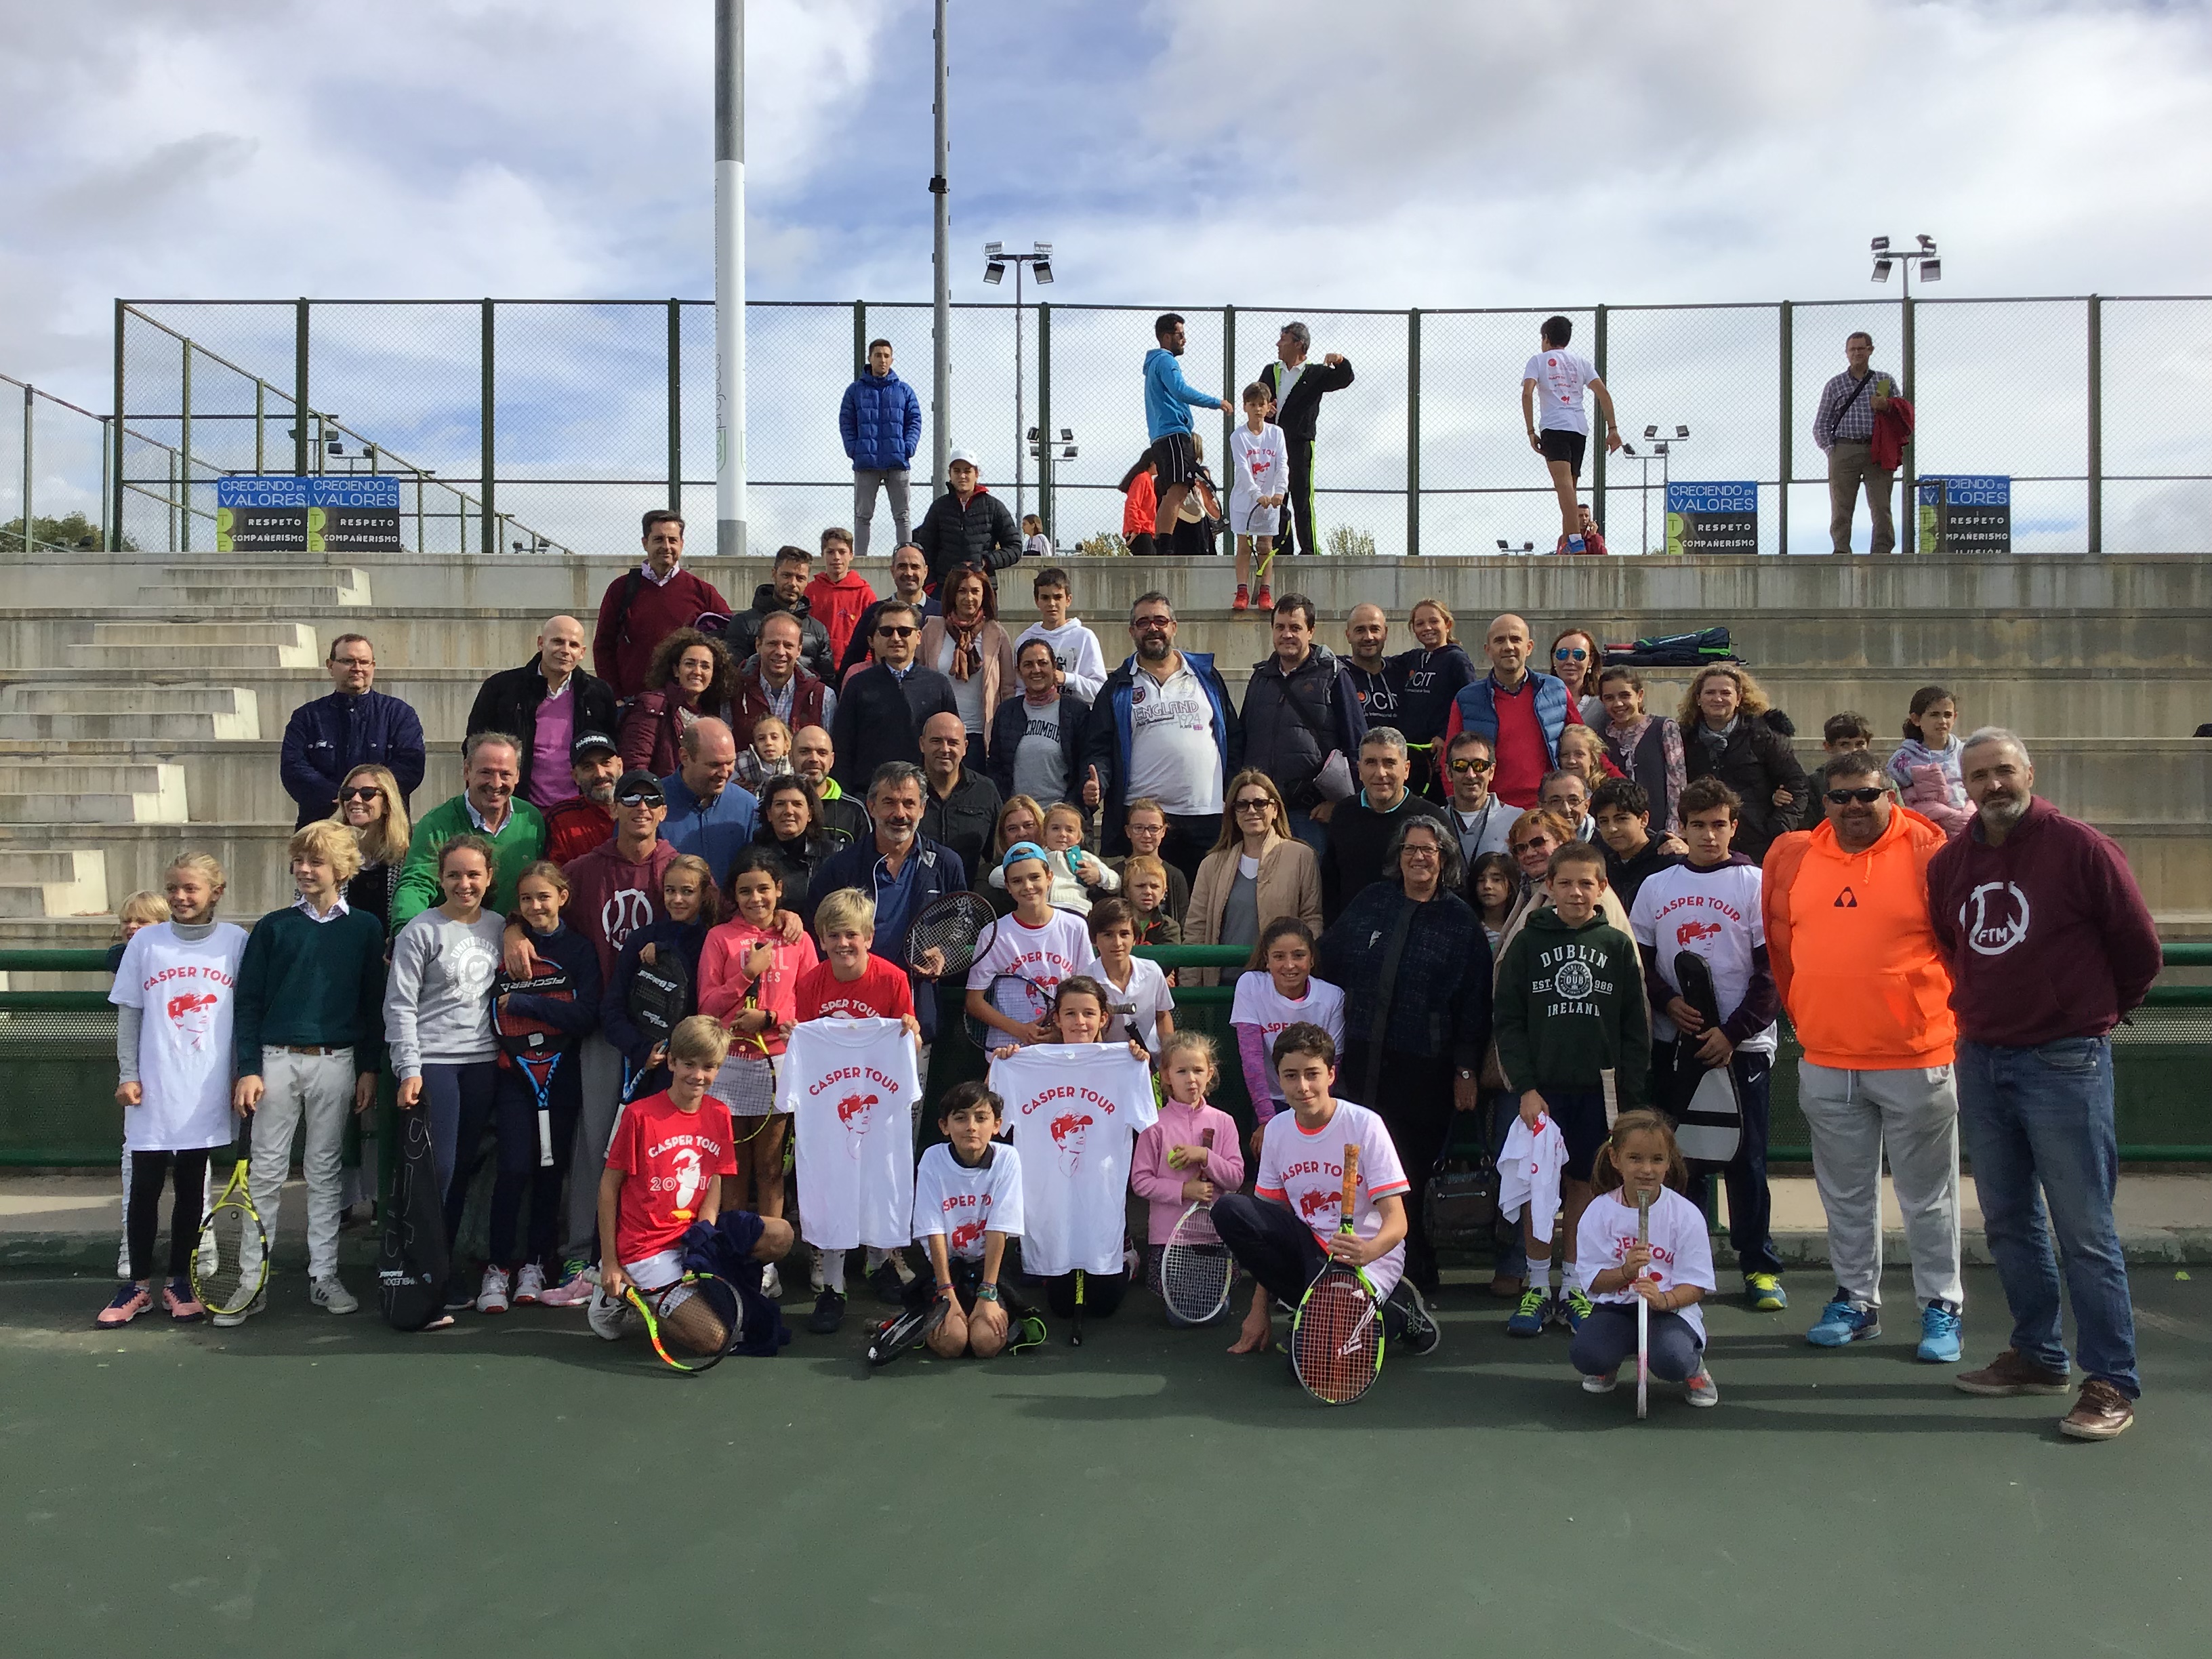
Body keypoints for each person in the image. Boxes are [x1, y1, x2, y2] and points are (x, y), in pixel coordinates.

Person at [1929, 729, 2161, 1440]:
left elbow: (2139, 949)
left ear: (2029, 771)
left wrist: (2090, 1015)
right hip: (1983, 1055)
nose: (1993, 786)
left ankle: (2111, 1380)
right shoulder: (1951, 864)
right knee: (2007, 1221)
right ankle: (2037, 1352)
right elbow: (1952, 942)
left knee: (2084, 1229)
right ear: (1963, 785)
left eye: (2004, 771)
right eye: (1979, 776)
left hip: (2064, 1060)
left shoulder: (2081, 848)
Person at [1761, 747, 1964, 1360]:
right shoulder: (1792, 856)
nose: (1854, 807)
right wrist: (1808, 1017)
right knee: (1845, 1194)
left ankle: (1941, 1306)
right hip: (1827, 1056)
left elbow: (1961, 948)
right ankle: (1856, 1300)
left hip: (1915, 1057)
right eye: (1841, 796)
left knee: (1928, 1196)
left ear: (1891, 796)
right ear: (1824, 801)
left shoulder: (1933, 855)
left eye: (1867, 795)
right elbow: (1781, 947)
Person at [1319, 815, 1492, 1298]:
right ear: (1398, 857)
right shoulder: (1372, 902)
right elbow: (1328, 957)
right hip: (1361, 1060)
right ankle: (1356, 1264)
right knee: (1360, 1166)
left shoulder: (1460, 922)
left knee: (1408, 1170)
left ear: (1445, 859)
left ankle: (1410, 1269)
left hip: (1425, 1069)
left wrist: (1464, 1070)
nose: (1420, 857)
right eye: (1411, 849)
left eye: (1430, 850)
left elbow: (1473, 1006)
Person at [1631, 777, 1786, 1313]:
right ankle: (1683, 1269)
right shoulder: (1658, 885)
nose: (1708, 834)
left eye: (1719, 824)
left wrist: (1734, 1031)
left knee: (1747, 1162)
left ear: (1733, 826)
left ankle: (1759, 1268)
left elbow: (1773, 973)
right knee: (1683, 1163)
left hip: (1742, 1049)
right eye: (1698, 825)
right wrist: (1667, 1004)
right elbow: (1642, 965)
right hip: (1678, 1045)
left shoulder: (1754, 882)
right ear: (1682, 827)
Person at [1492, 840, 1650, 1336]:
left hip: (1599, 1091)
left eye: (1587, 883)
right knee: (1541, 1190)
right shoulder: (1527, 942)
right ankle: (1538, 1287)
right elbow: (1510, 1021)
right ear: (1549, 887)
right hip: (1543, 1091)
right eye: (1566, 883)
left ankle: (1577, 1288)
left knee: (1585, 1186)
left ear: (1602, 887)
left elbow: (1633, 1027)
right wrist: (1525, 1086)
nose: (1577, 892)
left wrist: (1630, 1097)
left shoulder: (1617, 944)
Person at [231, 822, 386, 1317]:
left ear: (342, 869)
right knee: (267, 1174)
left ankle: (325, 1276)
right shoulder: (273, 927)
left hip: (336, 1063)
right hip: (276, 1062)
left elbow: (371, 1004)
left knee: (325, 1173)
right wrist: (250, 1068)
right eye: (299, 860)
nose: (303, 869)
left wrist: (367, 1069)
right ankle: (250, 1281)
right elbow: (248, 1003)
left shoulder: (364, 928)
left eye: (315, 861)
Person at [1218, 1022, 1437, 1357]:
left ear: (1331, 1075)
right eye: (1290, 1075)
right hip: (1311, 1251)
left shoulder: (1365, 1125)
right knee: (1231, 1210)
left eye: (1312, 1074)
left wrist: (1367, 1252)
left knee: (1305, 1362)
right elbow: (1269, 1226)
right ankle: (1315, 1312)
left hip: (1366, 1258)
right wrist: (1258, 1309)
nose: (1302, 1086)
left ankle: (1396, 1313)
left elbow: (1397, 1224)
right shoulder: (1275, 1131)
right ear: (1278, 1078)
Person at [98, 853, 248, 1328]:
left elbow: (246, 1014)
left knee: (190, 1187)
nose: (181, 898)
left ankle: (180, 1283)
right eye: (173, 889)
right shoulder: (147, 943)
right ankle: (136, 1286)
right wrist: (128, 1074)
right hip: (152, 1088)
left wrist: (241, 1073)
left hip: (205, 1089)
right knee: (143, 1187)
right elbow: (131, 1013)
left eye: (191, 889)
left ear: (215, 893)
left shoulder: (235, 942)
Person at [588, 1015, 794, 1354]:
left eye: (709, 1067)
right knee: (715, 1340)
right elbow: (609, 1188)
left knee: (781, 1234)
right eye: (689, 1064)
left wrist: (706, 1230)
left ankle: (698, 1293)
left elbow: (712, 1177)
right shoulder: (639, 1116)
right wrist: (610, 1261)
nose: (698, 1076)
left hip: (691, 1237)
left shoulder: (719, 1114)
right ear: (670, 1061)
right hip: (646, 1249)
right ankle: (629, 1292)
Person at [386, 835, 507, 1309]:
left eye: (474, 874)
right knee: (438, 1169)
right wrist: (409, 1068)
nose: (464, 883)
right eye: (455, 874)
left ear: (489, 878)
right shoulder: (421, 930)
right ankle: (418, 1267)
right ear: (440, 878)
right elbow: (399, 1005)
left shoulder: (499, 927)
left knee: (462, 1173)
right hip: (434, 1062)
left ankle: (445, 1265)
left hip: (482, 1063)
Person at [480, 861, 601, 1312]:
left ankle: (535, 1263)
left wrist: (528, 1002)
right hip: (515, 1075)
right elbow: (495, 1011)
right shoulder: (510, 946)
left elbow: (584, 1015)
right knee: (513, 1168)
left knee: (552, 1173)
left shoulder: (581, 952)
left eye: (544, 897)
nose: (535, 906)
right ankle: (499, 1268)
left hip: (563, 1076)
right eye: (527, 899)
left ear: (562, 898)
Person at [699, 847, 819, 1298]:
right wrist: (746, 975)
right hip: (729, 1063)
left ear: (779, 891)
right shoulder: (720, 939)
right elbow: (708, 1005)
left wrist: (768, 1020)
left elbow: (808, 1007)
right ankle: (733, 1258)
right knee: (731, 1169)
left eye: (764, 889)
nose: (756, 898)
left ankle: (766, 1265)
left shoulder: (797, 939)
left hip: (780, 1063)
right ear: (734, 895)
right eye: (746, 891)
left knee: (770, 1169)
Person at [1083, 592, 1241, 882]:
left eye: (1160, 621)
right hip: (1147, 821)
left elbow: (1232, 735)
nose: (1153, 628)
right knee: (1147, 903)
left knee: (1205, 906)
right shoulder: (1118, 685)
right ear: (1132, 631)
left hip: (1206, 814)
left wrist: (1231, 792)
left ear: (1174, 627)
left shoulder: (1205, 676)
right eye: (1143, 622)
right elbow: (1100, 748)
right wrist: (1099, 782)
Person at [811, 762, 970, 1050]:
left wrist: (944, 953)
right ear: (871, 807)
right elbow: (817, 933)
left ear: (922, 808)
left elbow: (965, 929)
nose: (900, 814)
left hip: (915, 1016)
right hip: (850, 1014)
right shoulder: (840, 868)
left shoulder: (946, 864)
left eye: (909, 804)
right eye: (889, 803)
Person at [1568, 1111, 1719, 1407]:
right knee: (1588, 1354)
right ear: (1615, 1159)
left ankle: (1693, 1367)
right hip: (1616, 1308)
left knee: (1671, 1359)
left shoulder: (1685, 1215)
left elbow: (1697, 1285)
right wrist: (1625, 1272)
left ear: (1669, 1162)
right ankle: (1606, 1365)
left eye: (1657, 1160)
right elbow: (1593, 1282)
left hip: (1671, 1311)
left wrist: (1663, 1301)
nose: (1647, 1169)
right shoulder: (1599, 1213)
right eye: (1635, 1158)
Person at [1240, 594, 1367, 855]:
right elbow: (1243, 740)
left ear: (1310, 631)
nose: (1287, 635)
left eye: (1295, 628)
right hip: (1263, 812)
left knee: (1309, 891)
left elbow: (1357, 745)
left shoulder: (1334, 675)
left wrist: (1341, 805)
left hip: (1310, 814)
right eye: (1280, 627)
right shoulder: (1260, 678)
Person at [909, 1081, 1026, 1359]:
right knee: (952, 1344)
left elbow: (999, 1228)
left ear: (997, 1125)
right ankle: (931, 1318)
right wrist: (946, 1291)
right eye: (960, 1118)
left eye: (981, 1118)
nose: (971, 1126)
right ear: (944, 1126)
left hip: (990, 1271)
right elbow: (933, 1230)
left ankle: (987, 1311)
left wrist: (988, 1293)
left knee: (986, 1344)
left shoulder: (1008, 1159)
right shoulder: (932, 1159)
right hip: (945, 1270)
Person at [388, 733, 546, 935]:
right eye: (486, 773)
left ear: (517, 776)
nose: (496, 783)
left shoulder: (531, 819)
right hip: (453, 941)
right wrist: (405, 932)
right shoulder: (436, 824)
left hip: (516, 938)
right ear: (466, 771)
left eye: (505, 774)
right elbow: (417, 884)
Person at [600, 855, 720, 1111]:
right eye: (670, 891)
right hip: (643, 1069)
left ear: (703, 894)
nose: (677, 899)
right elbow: (612, 1008)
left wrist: (667, 952)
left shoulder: (713, 942)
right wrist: (640, 1049)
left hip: (690, 1073)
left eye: (687, 892)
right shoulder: (641, 940)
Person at [466, 615, 619, 811]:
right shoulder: (501, 689)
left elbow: (612, 750)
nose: (565, 650)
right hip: (519, 809)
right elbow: (474, 745)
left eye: (573, 645)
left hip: (578, 810)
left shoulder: (598, 694)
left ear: (582, 653)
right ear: (541, 643)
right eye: (557, 641)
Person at [1129, 1031, 1244, 1293]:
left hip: (1214, 1236)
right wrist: (1184, 1191)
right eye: (1181, 1071)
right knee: (1178, 1315)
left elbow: (1236, 1179)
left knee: (1215, 1311)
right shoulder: (1153, 1125)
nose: (1191, 1079)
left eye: (1198, 1070)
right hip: (1169, 1239)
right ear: (1167, 1076)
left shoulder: (1224, 1122)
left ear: (1209, 1074)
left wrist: (1204, 1156)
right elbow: (1141, 1182)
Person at [1185, 770, 1322, 986]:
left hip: (1279, 986)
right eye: (1242, 804)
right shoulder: (1211, 864)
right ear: (1233, 812)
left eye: (1260, 803)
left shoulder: (1301, 856)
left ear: (1275, 809)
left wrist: (1304, 978)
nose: (1251, 810)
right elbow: (1195, 931)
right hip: (1222, 986)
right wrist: (1190, 989)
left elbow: (1312, 919)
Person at [279, 633, 426, 828]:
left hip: (384, 833)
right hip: (322, 828)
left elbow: (410, 767)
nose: (357, 668)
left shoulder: (400, 714)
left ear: (373, 666)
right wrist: (341, 796)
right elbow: (293, 767)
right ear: (330, 666)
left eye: (364, 662)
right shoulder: (307, 717)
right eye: (347, 661)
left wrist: (366, 795)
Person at [1442, 613, 1583, 811]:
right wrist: (1460, 810)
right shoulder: (1467, 699)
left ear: (1529, 647)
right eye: (1499, 640)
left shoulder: (1556, 691)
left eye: (1516, 639)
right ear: (1488, 650)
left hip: (1548, 809)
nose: (1508, 647)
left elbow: (1588, 747)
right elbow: (1448, 760)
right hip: (1491, 812)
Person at [591, 510, 731, 701]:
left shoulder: (703, 592)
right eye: (658, 539)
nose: (666, 547)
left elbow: (726, 643)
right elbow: (603, 646)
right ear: (645, 543)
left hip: (686, 704)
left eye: (672, 540)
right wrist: (615, 696)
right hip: (633, 703)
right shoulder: (621, 589)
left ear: (681, 544)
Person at [964, 843, 1094, 1048]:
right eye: (1017, 881)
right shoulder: (992, 934)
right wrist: (1019, 1030)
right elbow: (974, 1002)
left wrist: (1061, 1031)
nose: (1028, 886)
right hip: (1009, 1052)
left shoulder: (1075, 927)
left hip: (1063, 1047)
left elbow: (1088, 993)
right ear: (1007, 887)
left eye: (1035, 877)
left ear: (1050, 877)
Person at [1320, 726, 1452, 924]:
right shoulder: (1343, 814)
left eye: (1389, 763)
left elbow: (1453, 885)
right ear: (1360, 770)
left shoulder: (1433, 819)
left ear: (1406, 769)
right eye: (1371, 763)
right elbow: (1331, 885)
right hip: (1352, 938)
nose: (1380, 773)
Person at [1678, 664, 1807, 865]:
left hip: (1756, 846)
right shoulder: (1682, 738)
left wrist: (1777, 829)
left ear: (1738, 699)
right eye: (1710, 692)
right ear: (1698, 699)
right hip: (1703, 845)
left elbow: (1797, 786)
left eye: (1725, 693)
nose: (1718, 698)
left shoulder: (1764, 735)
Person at [829, 602, 959, 794]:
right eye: (887, 631)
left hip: (924, 798)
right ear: (876, 637)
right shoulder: (858, 686)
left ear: (919, 637)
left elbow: (950, 744)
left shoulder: (938, 686)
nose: (896, 638)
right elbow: (842, 748)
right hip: (868, 798)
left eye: (905, 631)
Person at [1229, 917, 1345, 1132]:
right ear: (1267, 960)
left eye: (1299, 955)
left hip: (1316, 1100)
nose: (1289, 965)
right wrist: (1267, 1121)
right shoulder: (1251, 985)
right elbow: (1251, 1060)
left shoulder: (1333, 997)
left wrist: (1313, 1114)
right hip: (1270, 1102)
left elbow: (1332, 1064)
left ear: (1311, 959)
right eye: (1279, 957)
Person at [1256, 321, 1357, 560]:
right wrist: (1265, 407)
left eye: (1284, 339)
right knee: (1275, 497)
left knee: (1301, 496)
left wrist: (1340, 360)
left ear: (1299, 344)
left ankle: (1309, 550)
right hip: (1272, 443)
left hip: (1300, 442)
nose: (1278, 344)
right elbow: (1257, 394)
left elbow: (1345, 378)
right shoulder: (1272, 370)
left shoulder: (1315, 374)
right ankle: (1281, 548)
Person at [1521, 314, 1621, 554]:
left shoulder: (1538, 360)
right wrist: (1613, 429)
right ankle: (1569, 543)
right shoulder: (1581, 362)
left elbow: (1527, 394)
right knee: (1570, 489)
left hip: (1554, 426)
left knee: (1564, 487)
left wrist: (1531, 430)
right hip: (1579, 428)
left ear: (1546, 338)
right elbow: (1604, 394)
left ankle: (1575, 541)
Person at [1814, 331, 1902, 556]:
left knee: (1881, 506)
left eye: (1861, 349)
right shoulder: (1835, 384)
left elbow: (1902, 416)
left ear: (1870, 350)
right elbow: (1821, 423)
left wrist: (1887, 406)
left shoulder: (1884, 381)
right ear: (1846, 353)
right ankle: (1841, 549)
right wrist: (1831, 450)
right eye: (1852, 349)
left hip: (1877, 448)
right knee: (1841, 507)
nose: (1857, 353)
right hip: (1844, 448)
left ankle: (1882, 551)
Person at [1144, 313, 1232, 540]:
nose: (1184, 339)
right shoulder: (1166, 361)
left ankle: (1165, 543)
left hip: (1164, 435)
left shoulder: (1156, 364)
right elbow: (1180, 389)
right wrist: (1216, 402)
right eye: (1180, 335)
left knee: (1179, 487)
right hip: (1172, 433)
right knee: (1178, 488)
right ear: (1166, 337)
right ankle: (1164, 544)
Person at [917, 566, 1018, 748]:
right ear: (952, 595)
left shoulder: (996, 634)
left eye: (975, 591)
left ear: (984, 595)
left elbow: (1008, 690)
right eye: (962, 591)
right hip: (940, 737)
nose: (968, 598)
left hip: (980, 736)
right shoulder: (931, 630)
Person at [618, 626, 738, 777]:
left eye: (705, 666)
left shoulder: (713, 712)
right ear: (676, 670)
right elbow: (635, 767)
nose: (697, 671)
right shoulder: (652, 706)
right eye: (690, 664)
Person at [990, 638, 1091, 817]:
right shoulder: (1007, 712)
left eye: (1042, 663)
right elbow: (996, 768)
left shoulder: (1076, 712)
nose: (1036, 670)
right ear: (1019, 672)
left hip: (1061, 819)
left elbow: (1083, 770)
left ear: (1054, 668)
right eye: (1028, 665)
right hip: (1020, 820)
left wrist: (1068, 811)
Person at [841, 337, 922, 558]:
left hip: (897, 461)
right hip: (866, 462)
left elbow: (914, 420)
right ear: (870, 359)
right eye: (878, 355)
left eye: (886, 356)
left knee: (902, 515)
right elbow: (846, 421)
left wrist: (908, 447)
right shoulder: (855, 391)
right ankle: (860, 560)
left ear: (892, 359)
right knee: (863, 515)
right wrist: (853, 449)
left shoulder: (904, 391)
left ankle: (906, 559)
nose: (882, 360)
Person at [1391, 598, 1477, 796]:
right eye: (1420, 624)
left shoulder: (1457, 659)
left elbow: (1470, 704)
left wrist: (1446, 736)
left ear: (1447, 625)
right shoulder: (1412, 658)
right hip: (1410, 755)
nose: (1427, 628)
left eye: (1434, 621)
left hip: (1437, 756)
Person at [658, 719, 760, 887]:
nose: (725, 773)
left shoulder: (747, 806)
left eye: (730, 763)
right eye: (714, 764)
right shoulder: (650, 805)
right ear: (685, 757)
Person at [1595, 666, 1686, 835]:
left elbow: (1677, 783)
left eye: (1625, 695)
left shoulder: (1663, 728)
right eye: (1609, 698)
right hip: (1617, 834)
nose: (1618, 704)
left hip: (1659, 831)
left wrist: (1673, 833)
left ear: (1640, 696)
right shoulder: (1599, 739)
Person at [913, 449, 1021, 590]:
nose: (962, 476)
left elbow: (1015, 547)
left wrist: (987, 561)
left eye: (967, 471)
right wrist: (931, 586)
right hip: (945, 589)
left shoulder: (994, 507)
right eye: (957, 471)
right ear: (950, 474)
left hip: (983, 588)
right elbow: (926, 548)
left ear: (976, 474)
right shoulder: (939, 507)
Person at [722, 544, 834, 682]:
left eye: (800, 578)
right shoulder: (744, 623)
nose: (793, 583)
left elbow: (828, 682)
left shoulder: (818, 630)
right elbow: (732, 675)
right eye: (786, 575)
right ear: (774, 574)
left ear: (807, 582)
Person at [987, 800, 1117, 916]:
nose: (1062, 834)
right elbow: (994, 877)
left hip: (1077, 911)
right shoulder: (1037, 857)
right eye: (1055, 828)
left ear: (1079, 837)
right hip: (1045, 912)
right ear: (1044, 833)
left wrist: (1099, 875)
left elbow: (1116, 883)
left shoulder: (1085, 858)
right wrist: (1020, 873)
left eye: (1070, 830)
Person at [1078, 896, 1173, 1054]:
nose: (1117, 943)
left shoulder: (1152, 971)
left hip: (1151, 1062)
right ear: (1094, 940)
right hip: (1109, 1064)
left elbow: (1162, 1015)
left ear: (1135, 938)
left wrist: (1168, 1058)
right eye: (1108, 935)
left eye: (1124, 934)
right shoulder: (1086, 981)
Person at [915, 712, 1002, 884]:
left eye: (953, 742)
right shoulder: (905, 791)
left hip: (968, 899)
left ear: (965, 747)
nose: (945, 749)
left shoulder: (985, 791)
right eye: (936, 741)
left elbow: (998, 854)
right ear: (922, 744)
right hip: (913, 900)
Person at [731, 611, 834, 755]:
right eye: (773, 643)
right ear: (758, 645)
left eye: (788, 645)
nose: (780, 651)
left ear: (799, 650)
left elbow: (827, 755)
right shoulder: (734, 691)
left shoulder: (823, 697)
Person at [838, 542, 940, 681]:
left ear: (925, 571)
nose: (909, 573)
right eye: (902, 566)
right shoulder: (875, 612)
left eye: (915, 567)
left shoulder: (941, 613)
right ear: (892, 571)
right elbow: (853, 658)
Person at [1227, 382, 1288, 611]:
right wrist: (1256, 494)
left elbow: (1282, 465)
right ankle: (1242, 591)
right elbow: (1243, 469)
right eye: (1252, 404)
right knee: (1244, 545)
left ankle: (1265, 592)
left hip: (1270, 503)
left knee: (1266, 546)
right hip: (1246, 501)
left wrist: (1280, 490)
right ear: (1245, 407)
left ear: (1268, 406)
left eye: (1261, 404)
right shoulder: (1239, 436)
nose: (1257, 409)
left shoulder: (1277, 434)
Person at [329, 762, 413, 930]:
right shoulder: (329, 851)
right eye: (348, 793)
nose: (355, 800)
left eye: (367, 794)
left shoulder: (406, 857)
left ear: (387, 804)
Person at [751, 775, 845, 921]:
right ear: (769, 814)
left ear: (810, 814)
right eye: (780, 804)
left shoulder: (835, 855)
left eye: (797, 804)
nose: (788, 811)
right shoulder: (752, 857)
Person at [1887, 684, 1971, 838]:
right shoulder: (1904, 758)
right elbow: (1891, 794)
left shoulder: (1967, 753)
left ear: (1955, 717)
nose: (1942, 721)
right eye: (1934, 715)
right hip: (1926, 833)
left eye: (1947, 715)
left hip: (1967, 830)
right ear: (1916, 719)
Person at [1012, 565, 1106, 701]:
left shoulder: (1085, 637)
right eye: (1045, 597)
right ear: (1037, 601)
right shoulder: (1024, 640)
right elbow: (1020, 689)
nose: (1051, 603)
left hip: (1075, 719)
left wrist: (1068, 679)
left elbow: (1100, 690)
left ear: (1068, 600)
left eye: (1058, 597)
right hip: (1037, 718)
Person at [1441, 731, 1523, 876]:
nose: (1471, 774)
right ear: (1448, 772)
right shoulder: (1435, 820)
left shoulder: (1517, 820)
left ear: (1491, 771)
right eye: (1461, 765)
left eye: (1479, 765)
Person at [1591, 778, 1679, 909]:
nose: (1612, 829)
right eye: (1604, 821)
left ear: (1643, 819)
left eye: (1621, 819)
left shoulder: (1670, 862)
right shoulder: (1601, 864)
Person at [1107, 799, 1191, 925]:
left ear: (1163, 831)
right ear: (1128, 831)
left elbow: (1183, 922)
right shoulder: (1113, 874)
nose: (1146, 835)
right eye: (1139, 828)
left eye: (1154, 828)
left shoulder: (1175, 876)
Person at [805, 527, 877, 669]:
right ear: (822, 555)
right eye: (830, 552)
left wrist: (864, 666)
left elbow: (874, 636)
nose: (836, 557)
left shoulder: (865, 594)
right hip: (816, 668)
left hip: (853, 668)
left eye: (842, 552)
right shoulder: (810, 591)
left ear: (851, 555)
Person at [791, 724, 869, 845]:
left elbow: (868, 860)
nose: (814, 759)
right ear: (791, 757)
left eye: (822, 753)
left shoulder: (854, 811)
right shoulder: (771, 805)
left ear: (832, 760)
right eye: (805, 752)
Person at [1799, 710, 1877, 830]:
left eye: (1860, 744)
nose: (1853, 751)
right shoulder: (1814, 784)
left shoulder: (1880, 779)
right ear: (1828, 747)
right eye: (1845, 745)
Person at [976, 795, 1043, 918]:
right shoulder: (988, 871)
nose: (1022, 833)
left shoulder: (1061, 860)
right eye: (1013, 829)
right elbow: (983, 905)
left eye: (1029, 825)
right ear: (1003, 836)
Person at [1548, 628, 1606, 726]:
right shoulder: (1539, 699)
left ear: (1590, 661)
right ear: (1554, 659)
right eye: (1562, 654)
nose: (1570, 661)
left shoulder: (1603, 703)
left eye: (1579, 655)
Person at [1120, 855, 1181, 947]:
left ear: (1164, 892)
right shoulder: (1115, 924)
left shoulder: (1169, 927)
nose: (1148, 892)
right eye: (1140, 886)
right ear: (1126, 890)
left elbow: (1168, 959)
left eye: (1154, 886)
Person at [1468, 852, 1518, 955]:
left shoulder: (1521, 924)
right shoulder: (1469, 928)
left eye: (1496, 880)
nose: (1487, 886)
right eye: (1481, 880)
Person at [733, 714, 792, 796]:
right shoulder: (741, 762)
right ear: (755, 744)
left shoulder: (793, 764)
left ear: (786, 743)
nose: (768, 743)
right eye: (761, 739)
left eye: (774, 737)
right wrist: (732, 787)